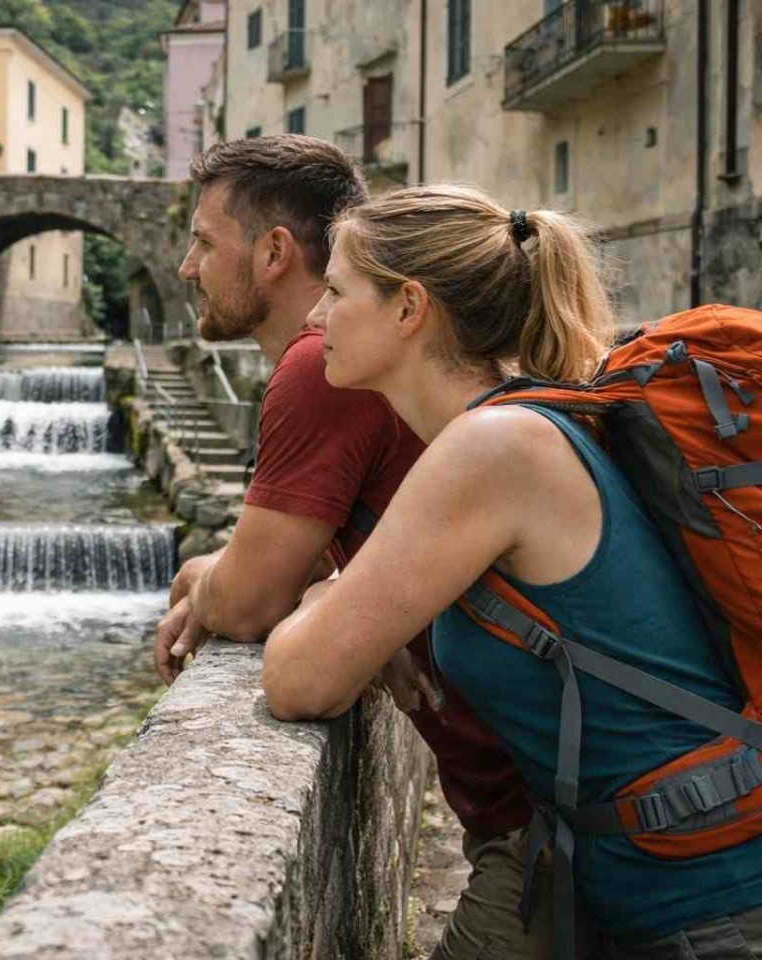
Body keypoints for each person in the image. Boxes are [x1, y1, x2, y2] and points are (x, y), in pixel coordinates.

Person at [263, 183, 762, 958]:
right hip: (667, 885)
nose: (313, 317)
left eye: (335, 291)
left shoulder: (493, 448)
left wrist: (327, 598)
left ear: (408, 309)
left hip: (710, 906)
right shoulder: (516, 424)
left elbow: (299, 680)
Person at [155, 137, 544, 960]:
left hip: (560, 833)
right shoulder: (477, 414)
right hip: (542, 818)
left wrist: (239, 579)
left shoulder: (330, 380)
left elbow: (261, 609)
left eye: (201, 241)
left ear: (271, 252)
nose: (187, 266)